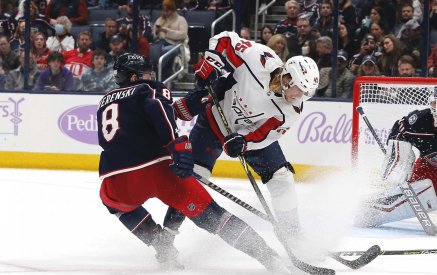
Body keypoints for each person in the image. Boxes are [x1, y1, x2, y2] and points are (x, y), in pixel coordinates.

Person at [96, 52, 289, 273]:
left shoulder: (104, 101)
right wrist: (177, 146)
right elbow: (158, 110)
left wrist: (199, 97)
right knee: (215, 217)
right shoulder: (148, 89)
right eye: (145, 73)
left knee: (113, 203)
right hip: (159, 171)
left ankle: (160, 244)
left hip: (115, 178)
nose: (149, 76)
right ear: (133, 77)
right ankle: (271, 260)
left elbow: (122, 134)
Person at [165, 31, 319, 242]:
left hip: (246, 135)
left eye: (306, 93)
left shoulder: (292, 109)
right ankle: (167, 237)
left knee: (282, 178)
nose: (300, 96)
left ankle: (293, 237)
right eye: (299, 89)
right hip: (213, 120)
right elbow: (226, 39)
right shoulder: (260, 58)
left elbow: (265, 134)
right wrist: (212, 61)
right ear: (288, 77)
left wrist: (244, 141)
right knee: (193, 180)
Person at [355, 85, 437, 227]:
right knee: (417, 198)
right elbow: (399, 129)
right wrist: (398, 160)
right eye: (433, 103)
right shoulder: (419, 120)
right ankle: (366, 211)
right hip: (430, 166)